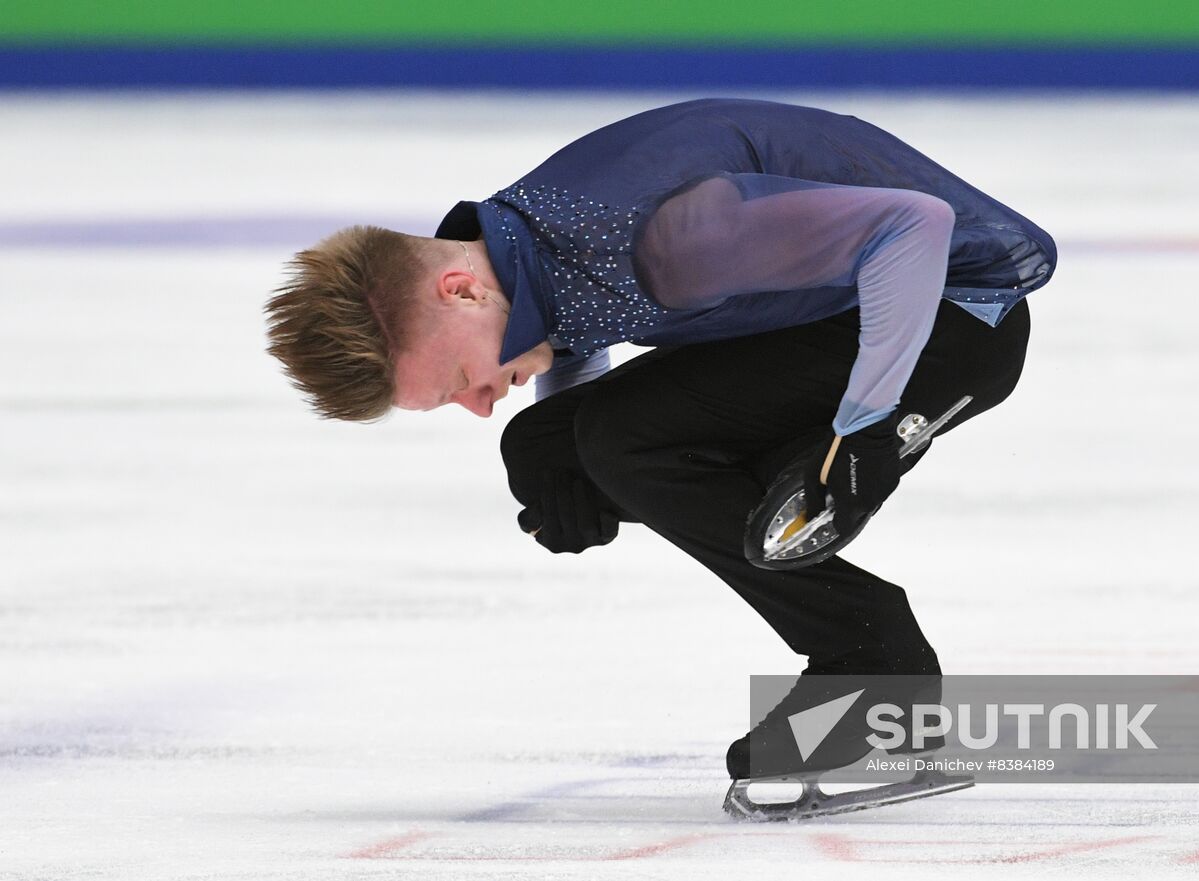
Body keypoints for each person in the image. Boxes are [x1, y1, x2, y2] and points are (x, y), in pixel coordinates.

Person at [265, 98, 1055, 818]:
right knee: (557, 445)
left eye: (456, 381)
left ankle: (877, 664)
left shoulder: (666, 237)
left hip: (953, 322)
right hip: (834, 320)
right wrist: (568, 454)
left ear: (460, 291)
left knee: (619, 436)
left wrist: (866, 428)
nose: (477, 401)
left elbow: (913, 228)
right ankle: (849, 621)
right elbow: (577, 324)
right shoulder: (528, 244)